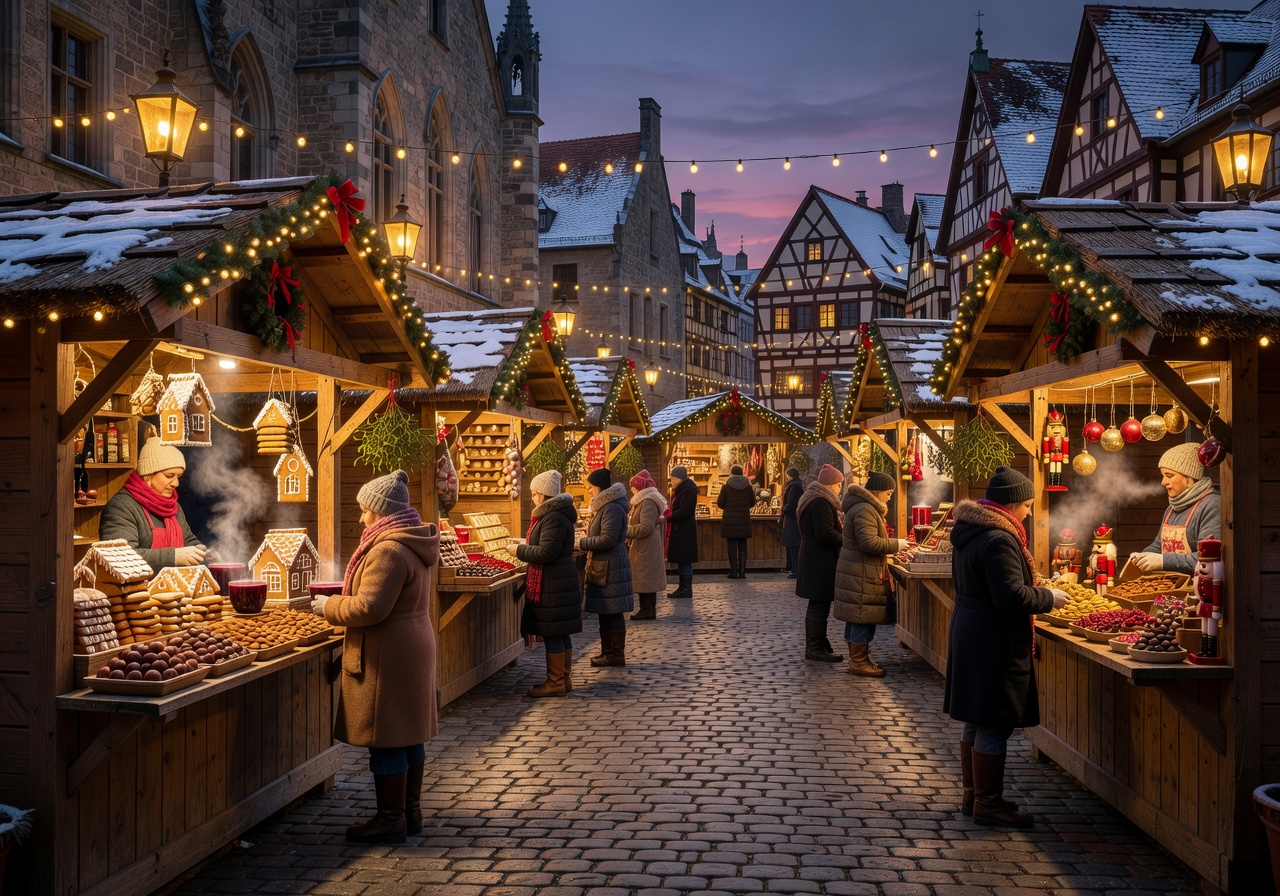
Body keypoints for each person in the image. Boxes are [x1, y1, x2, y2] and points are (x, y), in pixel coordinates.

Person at [311, 470, 440, 843]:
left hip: (389, 655)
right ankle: (409, 813)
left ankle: (390, 819)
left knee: (387, 737)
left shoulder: (387, 549)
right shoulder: (413, 541)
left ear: (381, 513)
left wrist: (329, 605)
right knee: (409, 735)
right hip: (410, 647)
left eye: (365, 510)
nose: (361, 517)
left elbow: (370, 608)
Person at [943, 466, 1068, 828]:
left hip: (971, 631)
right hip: (992, 639)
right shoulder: (999, 538)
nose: (1029, 512)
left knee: (976, 718)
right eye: (1028, 505)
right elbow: (1010, 595)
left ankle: (974, 795)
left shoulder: (971, 530)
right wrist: (1048, 597)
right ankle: (989, 803)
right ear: (1012, 505)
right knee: (994, 721)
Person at [834, 471, 908, 677]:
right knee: (861, 616)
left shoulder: (861, 507)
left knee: (857, 615)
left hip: (858, 570)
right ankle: (858, 661)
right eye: (888, 492)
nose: (890, 496)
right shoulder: (865, 510)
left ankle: (859, 658)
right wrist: (897, 545)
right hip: (862, 572)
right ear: (877, 491)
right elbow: (868, 542)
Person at [516, 470, 582, 697]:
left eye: (535, 493)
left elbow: (546, 552)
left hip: (554, 582)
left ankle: (555, 682)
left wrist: (518, 550)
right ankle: (563, 679)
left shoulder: (553, 517)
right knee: (561, 633)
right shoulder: (556, 515)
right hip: (558, 579)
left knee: (554, 632)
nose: (532, 498)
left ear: (544, 495)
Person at [100, 437, 208, 570]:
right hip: (138, 589)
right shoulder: (121, 507)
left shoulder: (173, 506)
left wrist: (203, 553)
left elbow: (188, 541)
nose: (176, 483)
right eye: (169, 476)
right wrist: (173, 557)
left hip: (173, 588)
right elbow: (121, 557)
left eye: (178, 476)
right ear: (148, 475)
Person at [1129, 442, 1222, 574]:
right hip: (1171, 588)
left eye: (1169, 475)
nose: (1163, 482)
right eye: (1163, 475)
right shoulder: (1172, 508)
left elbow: (1206, 559)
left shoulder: (1211, 505)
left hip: (1198, 590)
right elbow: (1159, 546)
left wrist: (1162, 561)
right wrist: (1143, 556)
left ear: (1189, 478)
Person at [577, 468, 634, 666]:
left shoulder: (611, 508)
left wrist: (582, 543)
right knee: (605, 610)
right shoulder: (606, 506)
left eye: (591, 487)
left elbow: (608, 539)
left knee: (613, 610)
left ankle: (616, 654)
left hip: (612, 566)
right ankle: (607, 651)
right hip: (606, 565)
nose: (590, 490)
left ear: (599, 487)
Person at [796, 464, 845, 663]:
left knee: (819, 603)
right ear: (831, 484)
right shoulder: (821, 503)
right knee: (819, 602)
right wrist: (846, 539)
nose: (840, 488)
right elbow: (824, 534)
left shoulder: (814, 499)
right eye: (839, 484)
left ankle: (819, 642)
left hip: (814, 558)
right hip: (818, 560)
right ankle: (814, 647)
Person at [626, 470, 668, 621]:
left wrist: (626, 530)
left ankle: (648, 610)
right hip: (645, 546)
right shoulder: (644, 500)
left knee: (646, 579)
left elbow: (646, 527)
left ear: (638, 486)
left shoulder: (648, 501)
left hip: (647, 547)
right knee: (645, 579)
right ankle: (646, 609)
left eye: (632, 486)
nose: (631, 489)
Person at [665, 466, 699, 600]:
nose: (672, 481)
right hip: (682, 530)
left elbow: (685, 511)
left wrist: (669, 517)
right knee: (682, 560)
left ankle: (685, 589)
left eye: (673, 478)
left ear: (679, 478)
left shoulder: (687, 490)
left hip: (685, 531)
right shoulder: (682, 490)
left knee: (685, 560)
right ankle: (683, 588)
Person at [716, 464, 755, 579]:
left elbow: (720, 503)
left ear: (731, 473)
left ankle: (733, 571)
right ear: (742, 473)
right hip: (744, 519)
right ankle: (742, 572)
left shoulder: (726, 487)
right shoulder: (748, 487)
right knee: (743, 545)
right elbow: (752, 502)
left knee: (732, 546)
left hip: (730, 521)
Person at [779, 467, 803, 578]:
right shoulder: (797, 485)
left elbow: (792, 503)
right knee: (793, 544)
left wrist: (784, 509)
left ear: (789, 475)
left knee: (793, 544)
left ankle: (795, 570)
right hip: (793, 518)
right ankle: (794, 569)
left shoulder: (794, 487)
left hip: (792, 518)